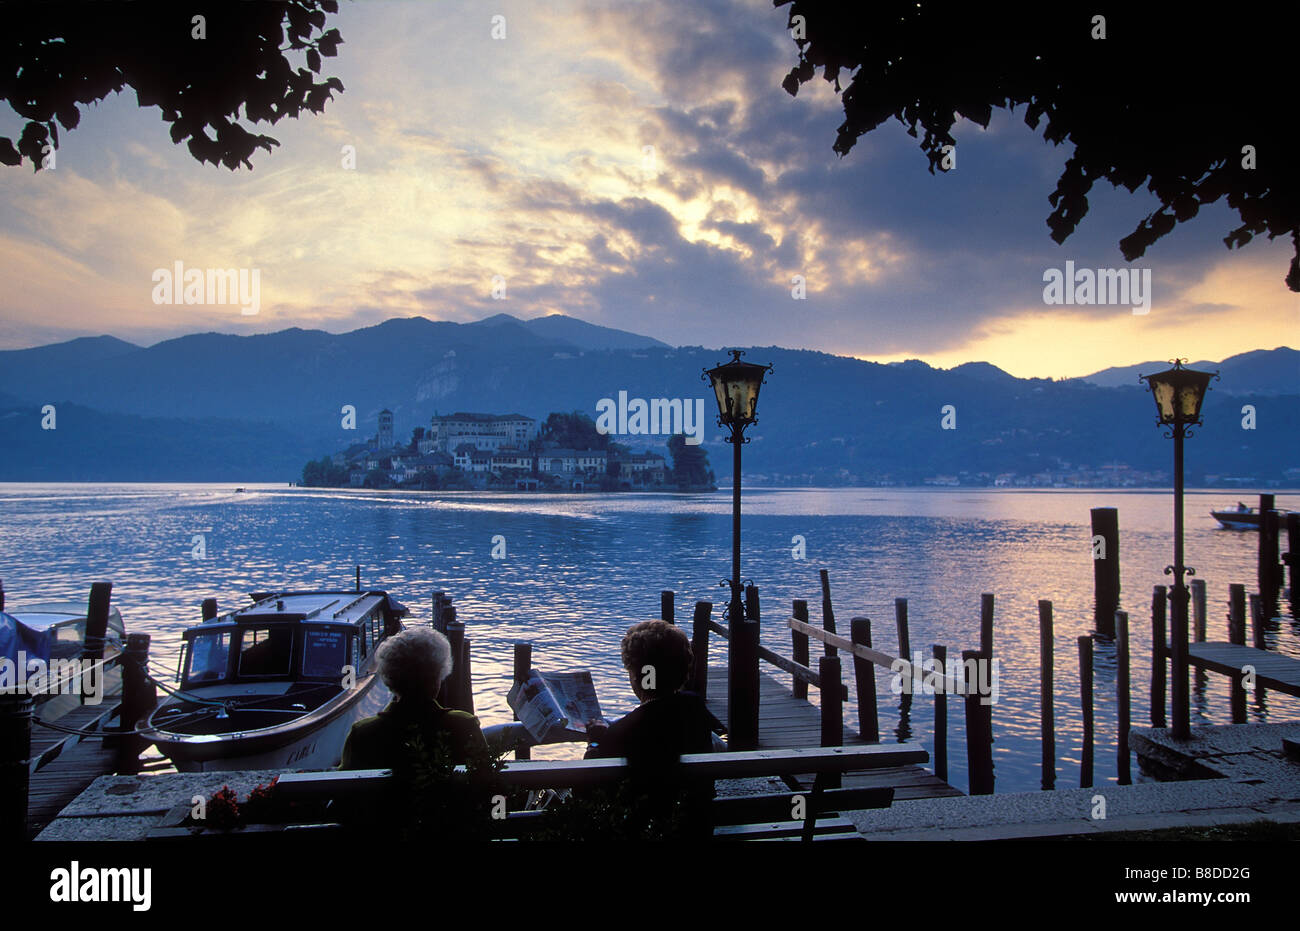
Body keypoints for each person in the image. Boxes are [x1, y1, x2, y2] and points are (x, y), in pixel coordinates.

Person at [583, 620, 721, 836]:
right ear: (683, 670)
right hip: (696, 828)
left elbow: (588, 795)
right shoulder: (695, 709)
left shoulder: (622, 733)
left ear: (640, 676)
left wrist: (594, 743)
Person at [339, 626, 487, 771]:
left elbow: (345, 782)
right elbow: (485, 776)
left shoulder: (362, 734)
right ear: (437, 679)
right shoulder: (464, 725)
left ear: (390, 679)